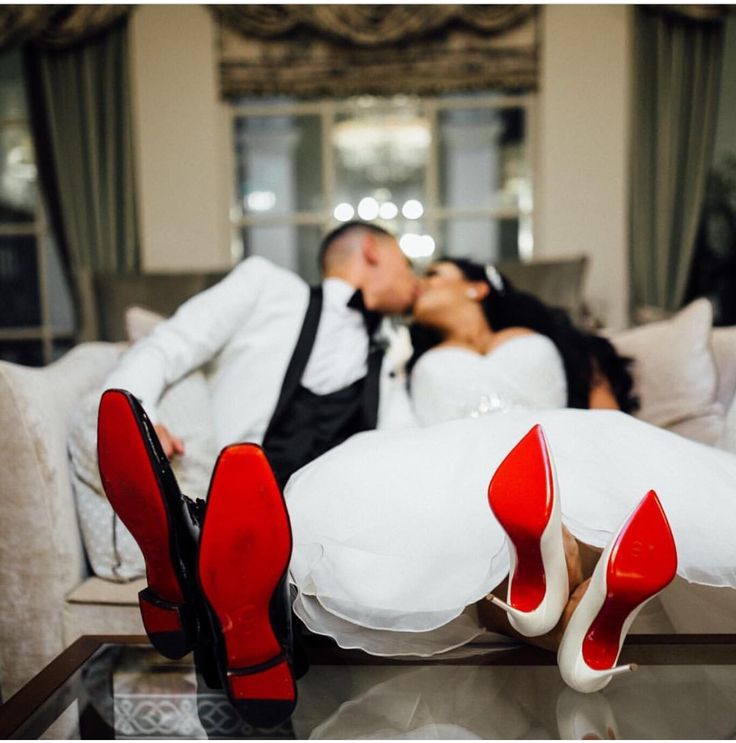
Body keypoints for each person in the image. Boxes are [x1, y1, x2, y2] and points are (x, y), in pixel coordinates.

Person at [103, 220, 419, 486]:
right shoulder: (265, 286)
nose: (413, 281)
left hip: (338, 521)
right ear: (371, 250)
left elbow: (407, 443)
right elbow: (166, 346)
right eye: (406, 265)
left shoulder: (390, 351)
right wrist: (137, 422)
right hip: (233, 503)